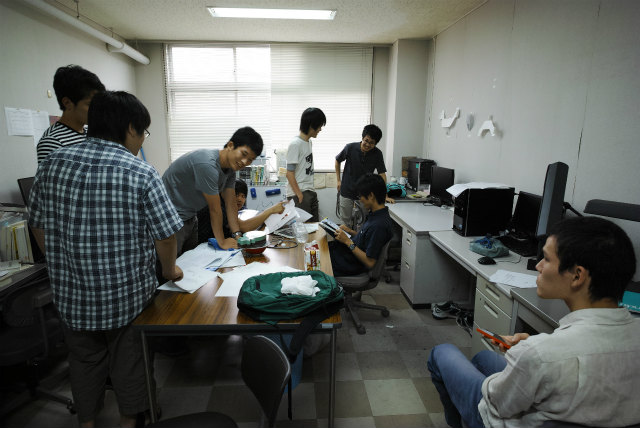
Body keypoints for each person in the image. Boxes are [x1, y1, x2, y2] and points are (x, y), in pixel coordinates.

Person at [28, 91, 184, 428]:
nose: (142, 140)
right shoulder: (141, 172)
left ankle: (87, 423)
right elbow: (166, 236)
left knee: (84, 362)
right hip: (126, 297)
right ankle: (130, 421)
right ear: (130, 128)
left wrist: (61, 263)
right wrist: (170, 270)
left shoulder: (51, 164)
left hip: (72, 296)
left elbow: (37, 225)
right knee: (130, 362)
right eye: (143, 132)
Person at [427, 216, 640, 428]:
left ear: (577, 276)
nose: (538, 265)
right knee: (483, 358)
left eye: (546, 259)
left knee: (441, 353)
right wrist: (529, 348)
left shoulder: (538, 354)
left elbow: (497, 403)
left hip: (497, 414)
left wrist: (522, 356)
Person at [162, 127, 264, 253]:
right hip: (170, 217)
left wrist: (237, 235)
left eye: (250, 160)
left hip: (190, 216)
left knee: (189, 259)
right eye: (244, 154)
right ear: (230, 145)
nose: (244, 162)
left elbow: (230, 204)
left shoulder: (230, 170)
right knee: (170, 264)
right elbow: (215, 209)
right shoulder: (207, 164)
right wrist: (222, 242)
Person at [37, 65, 105, 164]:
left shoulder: (91, 133)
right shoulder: (52, 142)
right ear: (67, 103)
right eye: (90, 104)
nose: (97, 109)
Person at [329, 173, 393, 277]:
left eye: (361, 196)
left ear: (371, 196)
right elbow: (366, 238)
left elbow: (370, 262)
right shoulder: (376, 215)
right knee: (322, 248)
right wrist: (350, 231)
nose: (360, 200)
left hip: (351, 264)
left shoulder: (378, 225)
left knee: (318, 260)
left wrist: (347, 241)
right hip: (347, 255)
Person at [334, 124, 394, 228]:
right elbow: (337, 160)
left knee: (363, 223)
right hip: (347, 190)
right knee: (345, 222)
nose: (367, 145)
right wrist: (338, 180)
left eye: (372, 143)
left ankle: (359, 239)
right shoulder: (350, 147)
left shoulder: (377, 154)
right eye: (366, 141)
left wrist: (384, 195)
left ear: (375, 143)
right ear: (362, 137)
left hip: (364, 193)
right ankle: (344, 239)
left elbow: (382, 175)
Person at [196, 179, 286, 243]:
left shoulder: (229, 206)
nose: (240, 199)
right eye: (236, 195)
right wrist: (271, 210)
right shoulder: (220, 206)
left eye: (243, 196)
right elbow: (244, 227)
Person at [286, 107, 326, 222]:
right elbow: (289, 173)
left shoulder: (308, 142)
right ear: (311, 125)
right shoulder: (295, 144)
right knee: (304, 229)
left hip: (310, 191)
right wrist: (299, 195)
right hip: (299, 193)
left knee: (314, 227)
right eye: (319, 126)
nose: (320, 129)